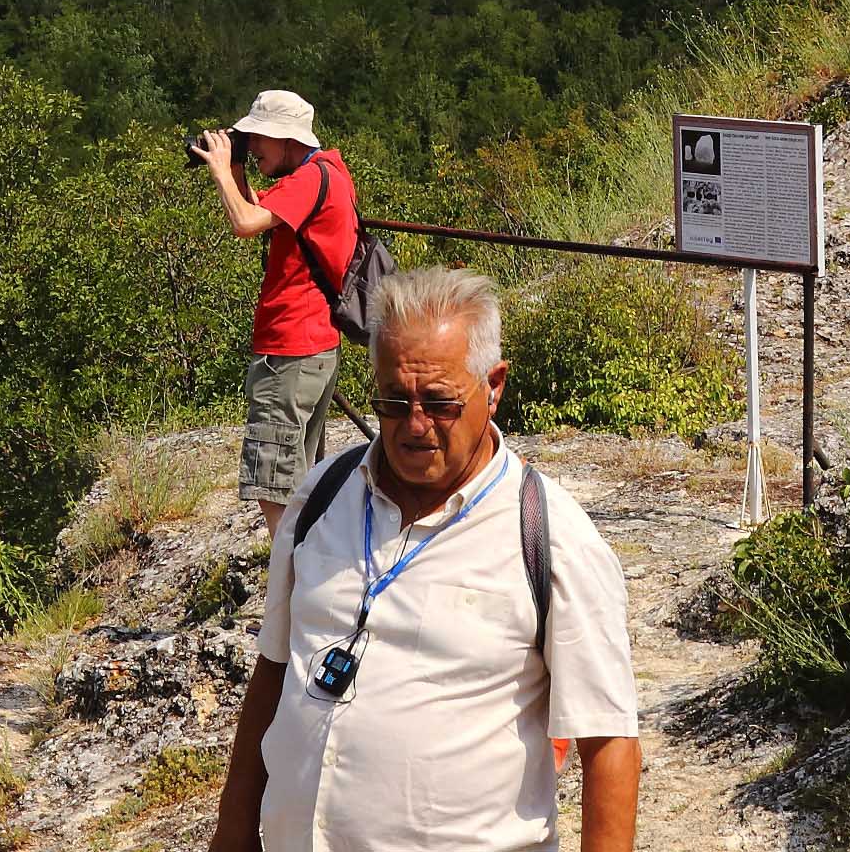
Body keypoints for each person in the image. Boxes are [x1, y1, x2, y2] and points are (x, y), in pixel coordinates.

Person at [206, 268, 645, 852]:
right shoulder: (321, 499)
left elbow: (609, 744)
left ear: (494, 386)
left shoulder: (551, 537)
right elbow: (275, 671)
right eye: (393, 402)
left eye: (439, 403)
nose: (414, 427)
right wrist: (231, 833)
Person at [191, 89, 366, 507]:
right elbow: (260, 209)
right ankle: (303, 566)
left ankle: (287, 572)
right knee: (297, 481)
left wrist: (219, 170)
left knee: (275, 488)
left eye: (258, 139)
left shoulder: (309, 179)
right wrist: (235, 167)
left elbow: (246, 222)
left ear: (288, 138)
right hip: (312, 346)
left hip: (291, 350)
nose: (252, 149)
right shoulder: (326, 172)